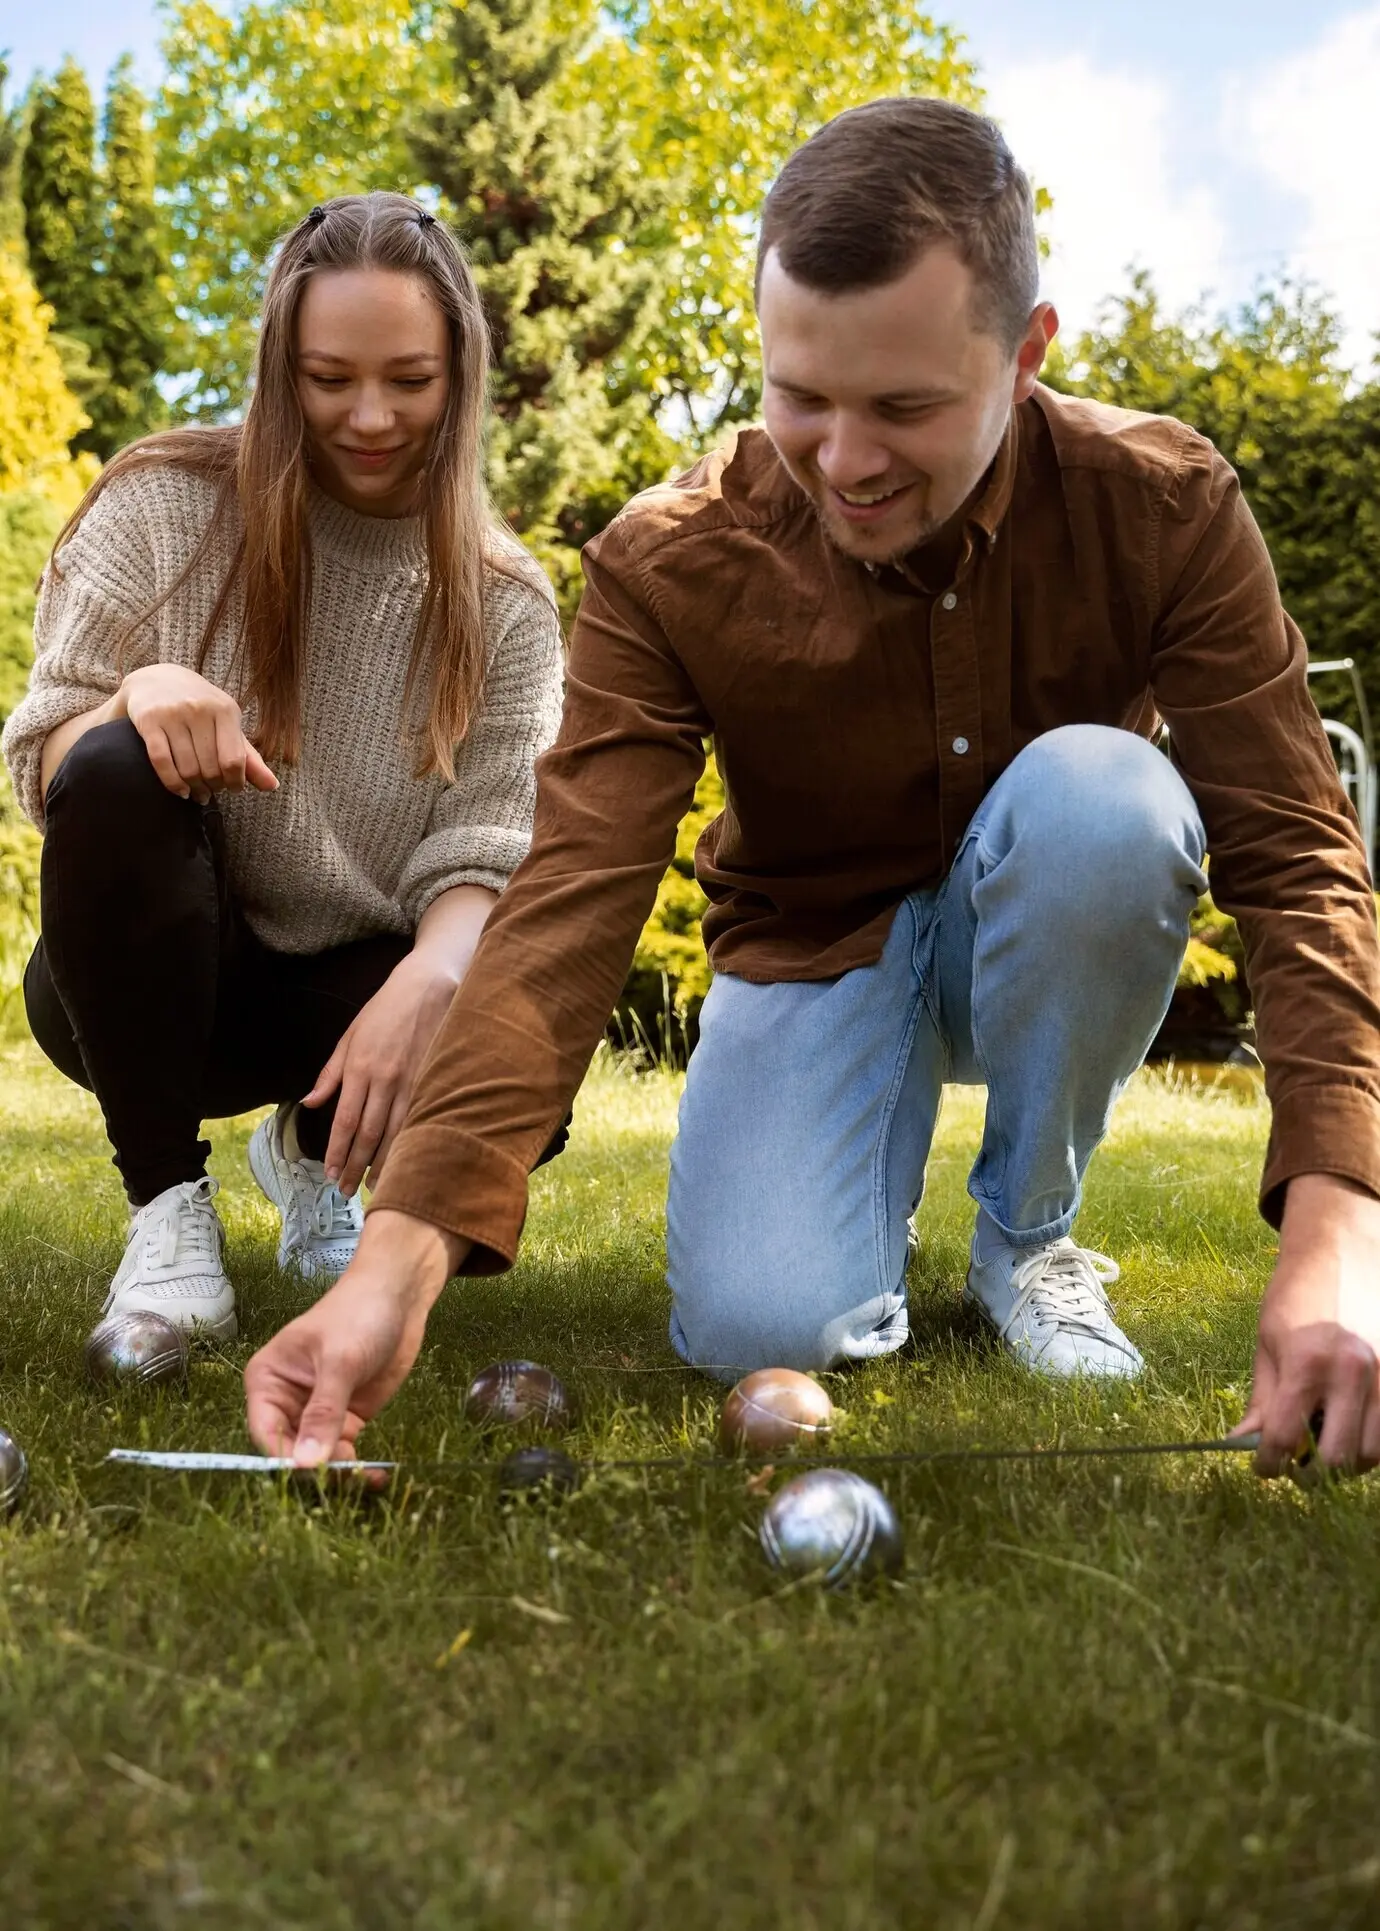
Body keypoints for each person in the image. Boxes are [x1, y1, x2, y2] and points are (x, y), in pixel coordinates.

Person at [244, 102, 1380, 1480]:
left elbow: (1299, 856)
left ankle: (1028, 1236)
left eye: (905, 407)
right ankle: (853, 1193)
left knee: (1111, 795)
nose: (846, 460)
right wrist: (397, 1263)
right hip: (815, 944)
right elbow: (567, 906)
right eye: (802, 397)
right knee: (760, 1319)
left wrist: (1338, 1243)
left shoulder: (1165, 503)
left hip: (1053, 910)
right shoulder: (672, 560)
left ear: (1027, 357)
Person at [3, 192, 565, 1343]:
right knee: (111, 764)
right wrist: (132, 695)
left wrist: (437, 982)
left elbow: (493, 841)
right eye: (328, 379)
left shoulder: (506, 599)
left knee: (523, 1026)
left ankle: (314, 1151)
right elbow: (42, 753)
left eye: (410, 381)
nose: (370, 416)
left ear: (460, 375)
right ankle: (167, 1214)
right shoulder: (162, 499)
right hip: (167, 979)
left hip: (355, 987)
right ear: (279, 367)